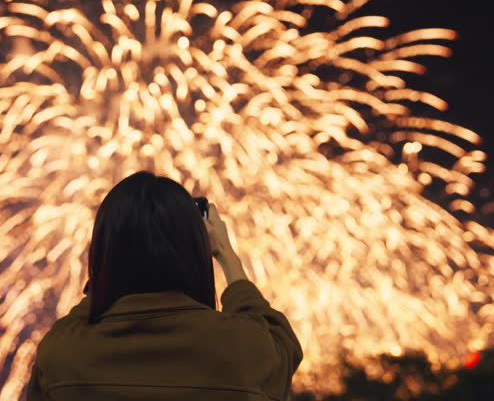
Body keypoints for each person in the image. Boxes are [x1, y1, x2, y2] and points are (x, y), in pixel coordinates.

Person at [24, 171, 303, 400]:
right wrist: (226, 255)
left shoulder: (64, 351)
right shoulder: (242, 349)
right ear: (195, 250)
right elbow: (282, 341)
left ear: (103, 249)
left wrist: (111, 265)